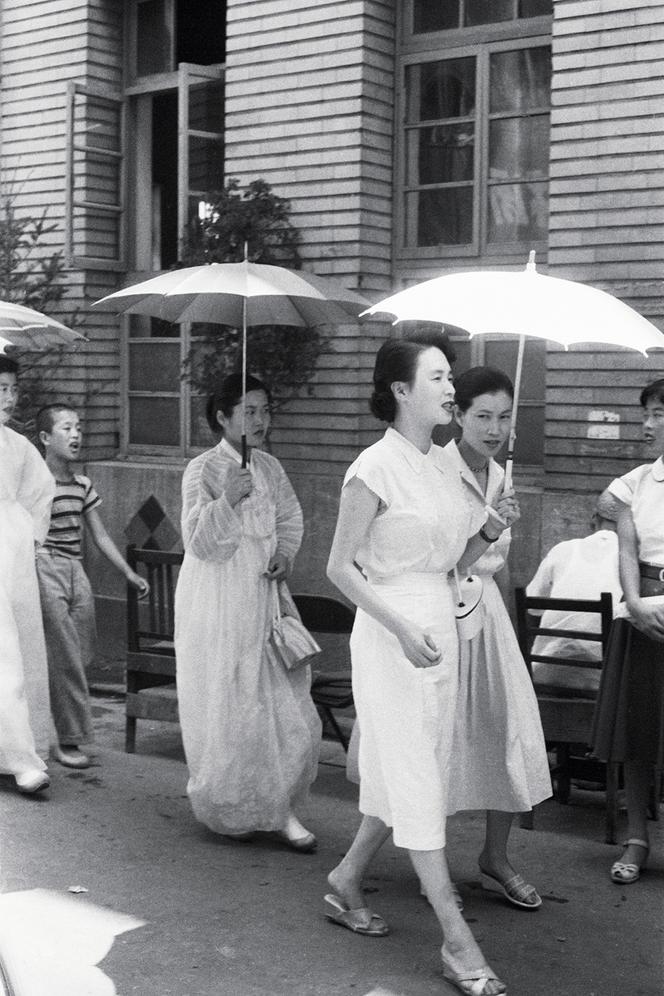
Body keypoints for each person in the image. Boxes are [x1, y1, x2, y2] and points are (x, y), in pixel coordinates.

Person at [325, 334, 519, 996]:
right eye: (437, 377)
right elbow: (338, 566)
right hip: (390, 638)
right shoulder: (372, 468)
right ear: (402, 390)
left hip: (439, 630)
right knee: (417, 781)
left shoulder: (440, 466)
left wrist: (490, 527)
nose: (449, 387)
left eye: (449, 376)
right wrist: (400, 626)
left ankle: (346, 879)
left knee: (411, 771)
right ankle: (457, 941)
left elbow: (456, 563)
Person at [174, 373, 321, 850]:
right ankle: (234, 804)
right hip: (218, 597)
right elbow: (200, 544)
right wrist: (227, 499)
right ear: (223, 417)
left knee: (282, 698)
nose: (261, 420)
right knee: (231, 699)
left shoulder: (272, 468)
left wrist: (286, 554)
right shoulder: (202, 470)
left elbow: (289, 518)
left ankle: (280, 808)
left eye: (264, 410)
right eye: (249, 411)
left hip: (263, 592)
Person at [442, 366, 551, 911]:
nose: (494, 428)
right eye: (482, 415)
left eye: (504, 417)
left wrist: (513, 633)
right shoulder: (433, 470)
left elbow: (500, 567)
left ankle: (496, 856)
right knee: (442, 737)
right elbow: (439, 560)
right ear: (457, 414)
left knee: (508, 731)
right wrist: (485, 525)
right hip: (443, 615)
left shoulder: (503, 478)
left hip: (491, 622)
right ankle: (432, 868)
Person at [36, 404, 149, 769]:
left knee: (83, 652)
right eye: (66, 428)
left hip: (76, 569)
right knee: (65, 655)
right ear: (44, 438)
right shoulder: (34, 481)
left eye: (78, 428)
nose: (76, 435)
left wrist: (128, 574)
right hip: (44, 565)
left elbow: (99, 535)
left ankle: (53, 726)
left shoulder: (82, 484)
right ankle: (67, 740)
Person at [592, 377, 664, 885]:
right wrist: (636, 604)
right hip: (643, 614)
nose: (648, 423)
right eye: (646, 413)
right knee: (639, 734)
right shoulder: (633, 484)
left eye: (659, 413)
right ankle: (636, 837)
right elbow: (624, 549)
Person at [0, 355, 54, 795]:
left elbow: (40, 493)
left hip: (10, 558)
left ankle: (19, 754)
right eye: (0, 388)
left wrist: (30, 539)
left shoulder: (18, 446)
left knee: (14, 652)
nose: (8, 397)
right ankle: (14, 756)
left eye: (13, 389)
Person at [526, 490, 622, 694]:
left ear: (593, 519)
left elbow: (533, 608)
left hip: (544, 668)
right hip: (604, 679)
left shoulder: (563, 549)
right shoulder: (632, 562)